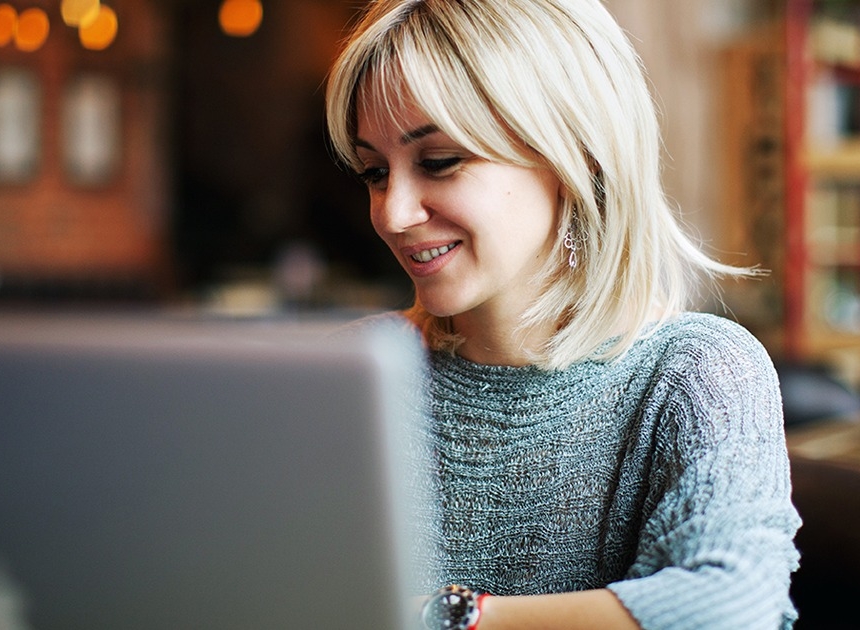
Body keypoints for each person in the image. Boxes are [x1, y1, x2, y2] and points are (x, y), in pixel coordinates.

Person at [324, 1, 801, 629]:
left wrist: (447, 618)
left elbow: (729, 608)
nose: (392, 212)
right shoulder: (354, 373)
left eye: (439, 161)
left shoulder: (697, 372)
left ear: (578, 157)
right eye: (374, 172)